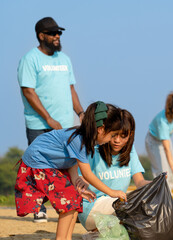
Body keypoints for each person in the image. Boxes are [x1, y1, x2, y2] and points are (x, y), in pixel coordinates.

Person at [15, 101, 128, 240]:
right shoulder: (79, 140)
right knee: (68, 201)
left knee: (75, 198)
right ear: (101, 129)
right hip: (39, 162)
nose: (112, 140)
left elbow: (71, 160)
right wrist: (112, 192)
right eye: (112, 135)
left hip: (50, 164)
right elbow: (87, 174)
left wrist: (75, 181)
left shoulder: (84, 139)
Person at [17, 16, 84, 222]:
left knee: (67, 164)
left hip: (64, 124)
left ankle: (66, 205)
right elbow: (28, 91)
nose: (57, 36)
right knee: (38, 167)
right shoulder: (30, 59)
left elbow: (70, 87)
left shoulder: (64, 59)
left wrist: (80, 113)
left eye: (59, 33)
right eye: (53, 33)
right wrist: (48, 118)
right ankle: (38, 208)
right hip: (39, 123)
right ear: (41, 36)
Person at [78, 108, 151, 232]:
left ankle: (101, 232)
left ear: (130, 134)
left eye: (123, 136)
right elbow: (81, 177)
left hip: (117, 206)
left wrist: (154, 185)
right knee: (133, 212)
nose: (117, 140)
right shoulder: (94, 149)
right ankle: (101, 229)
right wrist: (82, 184)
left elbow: (140, 182)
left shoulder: (130, 150)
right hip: (92, 206)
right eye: (114, 135)